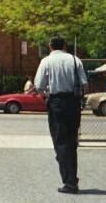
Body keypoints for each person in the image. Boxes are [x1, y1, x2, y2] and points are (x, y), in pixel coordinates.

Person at [34, 36, 88, 194]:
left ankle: (69, 182)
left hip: (56, 102)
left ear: (50, 46)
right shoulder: (75, 59)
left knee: (61, 142)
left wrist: (46, 95)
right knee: (72, 142)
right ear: (64, 46)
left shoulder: (46, 61)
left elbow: (38, 85)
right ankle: (73, 178)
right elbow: (84, 84)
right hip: (73, 102)